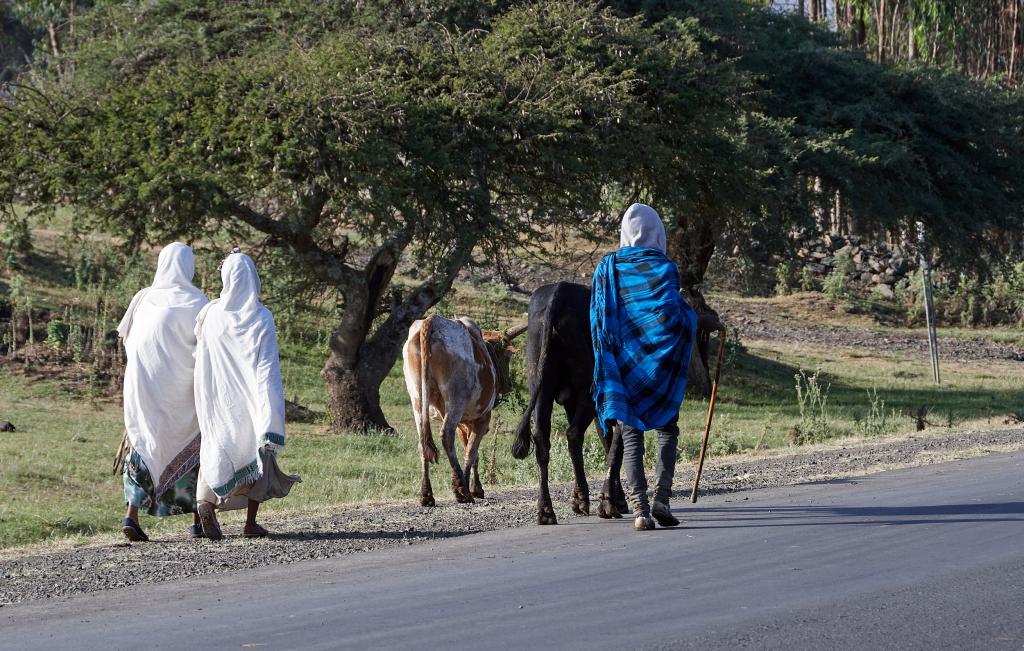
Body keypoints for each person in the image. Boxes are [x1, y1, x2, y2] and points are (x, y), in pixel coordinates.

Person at [590, 203, 720, 531]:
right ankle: (662, 500)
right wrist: (704, 321)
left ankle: (639, 510)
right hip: (661, 369)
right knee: (667, 430)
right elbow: (675, 318)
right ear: (658, 234)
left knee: (631, 434)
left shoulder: (607, 269)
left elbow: (600, 318)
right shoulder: (665, 270)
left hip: (623, 367)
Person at [193, 250, 299, 540]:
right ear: (253, 278)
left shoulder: (210, 313)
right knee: (257, 455)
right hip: (250, 400)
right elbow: (267, 365)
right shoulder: (261, 316)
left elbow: (200, 355)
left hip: (218, 399)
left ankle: (206, 503)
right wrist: (270, 404)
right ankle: (250, 523)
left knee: (216, 448)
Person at [118, 242, 209, 541]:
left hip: (144, 385)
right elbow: (205, 349)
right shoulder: (197, 302)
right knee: (192, 445)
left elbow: (127, 338)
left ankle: (132, 515)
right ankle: (197, 520)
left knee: (144, 443)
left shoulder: (142, 299)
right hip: (182, 391)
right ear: (189, 267)